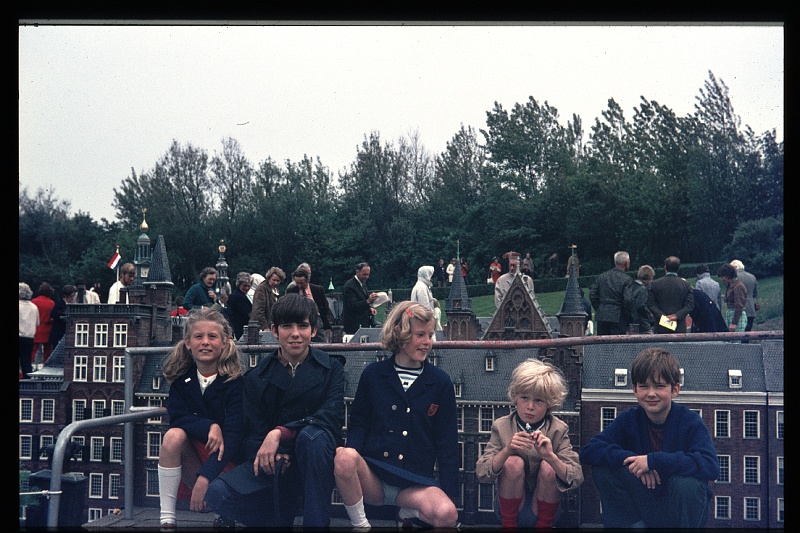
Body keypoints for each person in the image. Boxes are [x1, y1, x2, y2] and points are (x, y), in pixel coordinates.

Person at [205, 294, 345, 528]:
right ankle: (274, 519)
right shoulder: (256, 377)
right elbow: (251, 432)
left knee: (313, 438)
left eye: (302, 326)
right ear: (274, 330)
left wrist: (280, 433)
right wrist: (275, 456)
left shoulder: (332, 369)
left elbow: (330, 417)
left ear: (313, 330)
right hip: (273, 465)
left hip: (314, 464)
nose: (295, 334)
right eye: (287, 326)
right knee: (217, 493)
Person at [334, 301, 459, 530]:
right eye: (420, 335)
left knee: (447, 514)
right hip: (375, 478)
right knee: (344, 456)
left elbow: (447, 445)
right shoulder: (373, 375)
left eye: (430, 335)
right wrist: (352, 468)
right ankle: (361, 526)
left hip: (415, 485)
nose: (427, 342)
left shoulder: (440, 383)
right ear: (400, 334)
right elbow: (359, 425)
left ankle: (407, 511)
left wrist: (449, 495)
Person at [579, 348, 718, 528]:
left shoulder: (690, 421)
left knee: (686, 484)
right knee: (603, 469)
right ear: (635, 389)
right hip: (645, 502)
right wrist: (635, 463)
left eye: (659, 386)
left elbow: (710, 466)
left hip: (680, 509)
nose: (651, 393)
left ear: (675, 389)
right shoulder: (629, 419)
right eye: (644, 386)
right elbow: (590, 451)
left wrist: (653, 461)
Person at [157, 308, 245, 530]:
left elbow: (234, 436)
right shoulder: (181, 380)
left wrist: (205, 477)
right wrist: (210, 426)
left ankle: (225, 510)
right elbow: (176, 417)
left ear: (224, 342)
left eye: (212, 336)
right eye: (198, 336)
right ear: (188, 343)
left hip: (228, 462)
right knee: (173, 436)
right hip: (196, 457)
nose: (205, 342)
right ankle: (167, 518)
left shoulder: (235, 383)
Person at [476, 358, 583, 529]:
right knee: (513, 462)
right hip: (508, 510)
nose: (530, 406)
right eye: (524, 398)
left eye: (538, 400)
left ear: (549, 404)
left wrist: (550, 457)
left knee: (549, 467)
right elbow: (482, 473)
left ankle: (543, 527)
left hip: (546, 510)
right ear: (515, 398)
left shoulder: (558, 429)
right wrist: (507, 450)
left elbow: (576, 477)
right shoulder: (501, 426)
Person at [589, 251, 634, 336]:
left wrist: (599, 308)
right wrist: (628, 316)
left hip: (602, 316)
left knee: (602, 344)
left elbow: (592, 294)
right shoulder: (627, 279)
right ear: (626, 262)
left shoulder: (602, 276)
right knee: (617, 345)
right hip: (618, 316)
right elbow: (627, 300)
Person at [647, 256, 694, 334]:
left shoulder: (654, 284)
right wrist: (676, 316)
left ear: (665, 267)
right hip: (679, 327)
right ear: (678, 268)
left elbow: (651, 305)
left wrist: (663, 318)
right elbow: (689, 306)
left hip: (661, 327)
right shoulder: (686, 285)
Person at [286, 269, 333, 342]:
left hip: (316, 320)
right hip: (298, 320)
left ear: (307, 280)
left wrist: (326, 324)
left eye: (301, 283)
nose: (299, 285)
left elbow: (325, 307)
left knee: (321, 342)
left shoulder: (318, 289)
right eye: (297, 283)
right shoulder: (291, 291)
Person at [341, 262, 379, 335]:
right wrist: (368, 301)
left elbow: (361, 301)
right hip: (353, 326)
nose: (366, 277)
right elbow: (352, 306)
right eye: (364, 274)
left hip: (363, 324)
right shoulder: (349, 286)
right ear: (357, 272)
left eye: (368, 274)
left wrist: (369, 309)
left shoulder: (362, 284)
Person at [250, 267, 286, 331]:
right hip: (260, 327)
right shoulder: (262, 289)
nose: (276, 283)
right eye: (274, 280)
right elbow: (258, 311)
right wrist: (265, 327)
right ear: (269, 278)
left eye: (278, 281)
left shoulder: (275, 290)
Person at [730, 260, 759, 331]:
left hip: (737, 309)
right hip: (751, 308)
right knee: (747, 333)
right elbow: (755, 293)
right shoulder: (752, 277)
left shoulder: (733, 278)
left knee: (737, 335)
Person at [31, 282, 55, 366]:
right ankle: (46, 366)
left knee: (32, 350)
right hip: (47, 328)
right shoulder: (51, 303)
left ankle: (29, 366)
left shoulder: (33, 301)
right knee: (47, 352)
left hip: (35, 328)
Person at [718, 263, 747, 332]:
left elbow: (739, 305)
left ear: (728, 275)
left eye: (723, 276)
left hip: (737, 316)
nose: (722, 279)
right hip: (731, 314)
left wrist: (734, 323)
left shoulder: (738, 286)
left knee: (736, 341)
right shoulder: (731, 285)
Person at [19, 282, 39, 379]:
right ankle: (27, 382)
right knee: (27, 362)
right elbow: (37, 323)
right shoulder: (34, 307)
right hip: (29, 338)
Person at [48, 284, 77, 348]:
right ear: (65, 296)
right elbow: (53, 314)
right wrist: (63, 317)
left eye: (73, 296)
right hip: (59, 331)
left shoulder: (73, 304)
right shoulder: (60, 303)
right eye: (71, 296)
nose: (72, 298)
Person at [227, 272, 253, 340]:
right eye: (244, 286)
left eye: (248, 286)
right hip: (239, 328)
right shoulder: (238, 297)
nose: (247, 288)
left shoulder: (238, 295)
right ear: (239, 285)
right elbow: (247, 313)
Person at [630, 265, 655, 334]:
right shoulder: (643, 289)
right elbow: (641, 305)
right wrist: (649, 314)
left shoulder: (632, 285)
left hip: (632, 321)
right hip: (643, 323)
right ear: (649, 277)